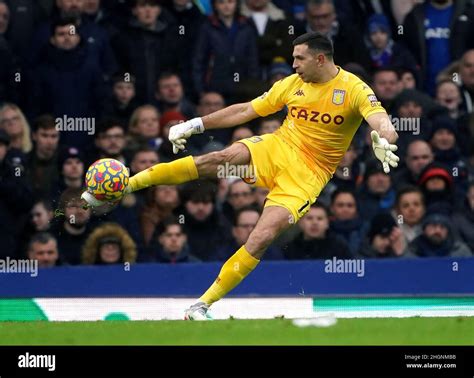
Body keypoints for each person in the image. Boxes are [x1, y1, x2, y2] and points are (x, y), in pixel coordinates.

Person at [82, 31, 400, 320]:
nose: (293, 64)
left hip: (308, 175)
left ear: (320, 58)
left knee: (260, 237)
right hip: (277, 147)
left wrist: (384, 138)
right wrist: (196, 124)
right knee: (221, 157)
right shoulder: (291, 85)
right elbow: (245, 111)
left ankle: (201, 305)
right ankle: (126, 185)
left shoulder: (355, 89)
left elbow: (383, 122)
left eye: (299, 58)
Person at [284, 203, 350, 260]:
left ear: (327, 223)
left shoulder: (339, 249)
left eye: (319, 218)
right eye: (309, 218)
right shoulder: (289, 250)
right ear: (300, 222)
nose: (314, 222)